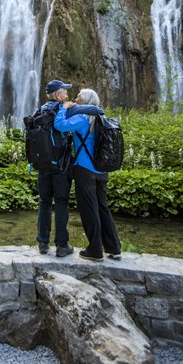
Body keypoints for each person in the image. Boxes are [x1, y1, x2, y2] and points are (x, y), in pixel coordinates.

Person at [54, 88, 121, 262]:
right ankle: (114, 247)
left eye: (78, 97)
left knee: (89, 209)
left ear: (85, 101)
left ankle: (95, 250)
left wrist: (63, 108)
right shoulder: (101, 118)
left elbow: (59, 125)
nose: (76, 99)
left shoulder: (82, 118)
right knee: (102, 208)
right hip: (102, 170)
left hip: (85, 169)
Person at [35, 79, 74, 258]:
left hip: (43, 165)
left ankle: (43, 242)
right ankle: (61, 245)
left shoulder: (40, 110)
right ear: (58, 96)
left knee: (44, 201)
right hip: (60, 166)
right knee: (61, 202)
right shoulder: (63, 110)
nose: (67, 94)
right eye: (65, 91)